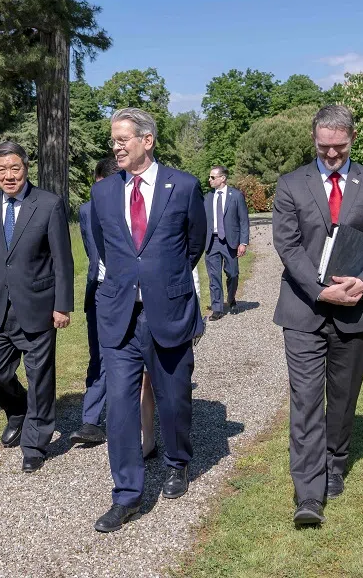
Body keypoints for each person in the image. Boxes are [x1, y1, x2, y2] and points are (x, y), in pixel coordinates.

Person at [272, 105, 363, 525]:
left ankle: (336, 462)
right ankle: (308, 496)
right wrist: (322, 289)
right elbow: (288, 247)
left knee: (342, 399)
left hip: (355, 311)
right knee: (306, 400)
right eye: (324, 148)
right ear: (314, 139)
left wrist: (362, 284)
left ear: (353, 139)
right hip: (303, 310)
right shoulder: (291, 185)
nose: (331, 156)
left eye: (339, 148)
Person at [90, 108, 207, 532]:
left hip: (169, 310)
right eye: (113, 140)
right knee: (120, 406)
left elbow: (196, 241)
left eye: (123, 139)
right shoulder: (102, 194)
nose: (116, 147)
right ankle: (126, 494)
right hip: (119, 315)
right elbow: (105, 247)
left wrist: (163, 279)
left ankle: (178, 462)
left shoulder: (185, 185)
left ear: (148, 140)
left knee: (174, 397)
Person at [0, 141, 74, 473]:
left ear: (26, 168)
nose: (8, 175)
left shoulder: (48, 204)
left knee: (40, 377)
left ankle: (34, 443)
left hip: (39, 307)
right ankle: (18, 411)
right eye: (1, 169)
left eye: (14, 168)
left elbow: (63, 260)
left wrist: (62, 305)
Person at [69, 156, 120, 446]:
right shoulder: (86, 212)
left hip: (134, 292)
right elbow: (92, 254)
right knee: (98, 356)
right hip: (100, 292)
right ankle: (90, 422)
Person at [204, 166, 250, 320]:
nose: (209, 180)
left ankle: (231, 299)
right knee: (214, 276)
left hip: (230, 242)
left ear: (222, 178)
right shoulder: (207, 197)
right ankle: (217, 308)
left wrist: (243, 242)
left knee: (233, 273)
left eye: (212, 177)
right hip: (212, 242)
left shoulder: (236, 196)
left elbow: (244, 220)